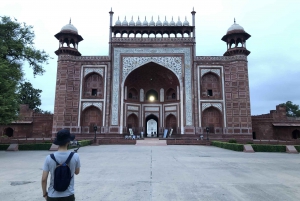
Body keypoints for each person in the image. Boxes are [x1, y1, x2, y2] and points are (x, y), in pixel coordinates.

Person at [41, 129, 81, 201]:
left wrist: (44, 194)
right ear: (68, 141)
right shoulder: (75, 156)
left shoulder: (49, 158)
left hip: (53, 195)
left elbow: (44, 179)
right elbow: (77, 172)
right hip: (68, 195)